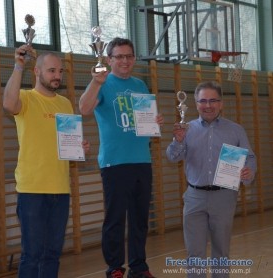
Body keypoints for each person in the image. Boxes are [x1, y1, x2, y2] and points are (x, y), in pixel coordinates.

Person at [79, 37, 163, 278]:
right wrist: (96, 82)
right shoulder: (102, 83)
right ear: (109, 59)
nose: (124, 61)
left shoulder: (140, 85)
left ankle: (139, 266)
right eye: (119, 56)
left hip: (142, 160)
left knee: (140, 219)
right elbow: (84, 109)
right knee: (115, 219)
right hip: (114, 162)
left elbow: (146, 121)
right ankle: (115, 267)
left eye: (128, 56)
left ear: (134, 59)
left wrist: (154, 122)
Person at [3, 45, 90, 278]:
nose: (57, 76)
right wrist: (18, 65)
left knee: (52, 254)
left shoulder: (65, 104)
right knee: (32, 255)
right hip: (32, 190)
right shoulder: (25, 98)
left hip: (60, 190)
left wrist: (78, 149)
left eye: (60, 71)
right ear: (37, 72)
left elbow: (66, 146)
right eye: (52, 71)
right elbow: (8, 105)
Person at [166, 81, 257, 277]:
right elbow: (173, 157)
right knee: (194, 253)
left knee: (221, 252)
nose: (208, 105)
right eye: (203, 101)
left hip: (224, 197)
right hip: (194, 197)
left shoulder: (235, 130)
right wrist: (178, 141)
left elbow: (249, 158)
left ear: (221, 103)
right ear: (196, 104)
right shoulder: (186, 129)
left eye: (213, 100)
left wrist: (249, 171)